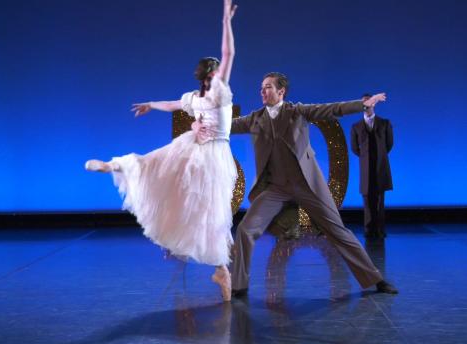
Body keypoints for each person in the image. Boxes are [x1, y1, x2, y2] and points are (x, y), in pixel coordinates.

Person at [84, 0, 239, 302]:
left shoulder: (210, 94)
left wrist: (225, 19)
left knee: (203, 211)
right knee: (165, 175)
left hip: (211, 153)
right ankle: (114, 165)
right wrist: (150, 104)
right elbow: (175, 102)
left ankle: (221, 270)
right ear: (210, 74)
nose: (219, 73)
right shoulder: (204, 94)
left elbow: (226, 55)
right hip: (199, 149)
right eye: (215, 71)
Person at [229, 72, 398, 297]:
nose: (262, 91)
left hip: (306, 184)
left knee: (337, 231)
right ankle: (239, 286)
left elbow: (331, 109)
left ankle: (375, 279)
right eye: (261, 87)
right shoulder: (255, 118)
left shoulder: (297, 111)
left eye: (268, 87)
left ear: (281, 91)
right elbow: (227, 126)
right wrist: (204, 124)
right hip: (275, 188)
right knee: (245, 230)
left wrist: (361, 104)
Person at [350, 94, 393, 241]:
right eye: (364, 102)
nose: (367, 104)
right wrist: (366, 158)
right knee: (367, 200)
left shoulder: (384, 123)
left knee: (380, 200)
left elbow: (389, 144)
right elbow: (355, 148)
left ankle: (380, 229)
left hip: (381, 167)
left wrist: (378, 155)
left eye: (369, 101)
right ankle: (369, 229)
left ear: (374, 103)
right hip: (366, 168)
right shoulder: (356, 127)